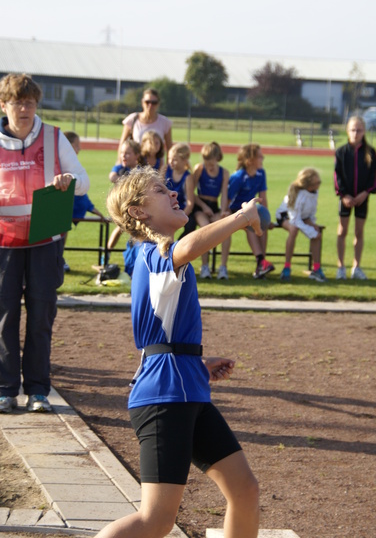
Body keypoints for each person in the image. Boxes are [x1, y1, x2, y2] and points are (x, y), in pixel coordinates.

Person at [98, 167, 259, 538]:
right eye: (159, 190)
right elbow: (187, 247)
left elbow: (157, 335)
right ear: (138, 212)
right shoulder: (156, 253)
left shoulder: (153, 258)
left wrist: (195, 362)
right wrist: (240, 218)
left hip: (184, 386)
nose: (172, 193)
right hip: (164, 398)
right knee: (156, 520)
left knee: (245, 490)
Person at [0, 73, 89, 414]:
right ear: (4, 105)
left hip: (43, 242)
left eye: (30, 102)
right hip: (3, 244)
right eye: (18, 102)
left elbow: (83, 180)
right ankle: (5, 389)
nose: (25, 109)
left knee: (41, 317)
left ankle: (38, 390)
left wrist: (70, 180)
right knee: (4, 318)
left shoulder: (53, 138)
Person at [334, 115, 376, 280]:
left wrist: (365, 193)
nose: (355, 133)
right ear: (347, 130)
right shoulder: (341, 152)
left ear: (364, 131)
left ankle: (356, 267)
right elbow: (337, 176)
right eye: (353, 130)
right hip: (345, 198)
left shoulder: (371, 152)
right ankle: (340, 267)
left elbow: (374, 177)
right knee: (342, 231)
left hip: (362, 198)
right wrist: (344, 195)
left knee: (359, 232)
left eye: (359, 130)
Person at [227, 143, 274, 279]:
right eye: (259, 156)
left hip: (254, 209)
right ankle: (261, 262)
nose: (263, 158)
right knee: (250, 224)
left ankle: (261, 265)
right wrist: (224, 212)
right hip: (236, 210)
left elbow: (263, 198)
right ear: (249, 161)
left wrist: (267, 218)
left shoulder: (261, 173)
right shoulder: (237, 177)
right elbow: (228, 199)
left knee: (262, 226)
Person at [63, 132, 107, 272]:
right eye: (77, 146)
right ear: (69, 146)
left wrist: (95, 210)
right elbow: (79, 197)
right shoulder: (65, 166)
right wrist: (94, 210)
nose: (80, 149)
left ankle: (58, 259)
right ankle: (57, 260)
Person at [276, 167, 326, 282]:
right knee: (294, 230)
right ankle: (286, 268)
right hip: (286, 216)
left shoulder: (314, 192)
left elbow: (310, 212)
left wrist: (313, 225)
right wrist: (311, 232)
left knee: (317, 232)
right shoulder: (299, 196)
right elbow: (295, 220)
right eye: (317, 182)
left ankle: (316, 269)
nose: (319, 184)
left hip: (302, 217)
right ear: (309, 185)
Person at [193, 141, 230, 280]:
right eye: (206, 160)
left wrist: (223, 211)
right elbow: (191, 192)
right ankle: (205, 266)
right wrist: (203, 206)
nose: (209, 164)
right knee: (205, 228)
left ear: (217, 158)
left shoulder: (224, 172)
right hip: (200, 206)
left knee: (227, 228)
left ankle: (223, 267)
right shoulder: (199, 169)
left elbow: (224, 194)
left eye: (211, 162)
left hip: (214, 207)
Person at [117, 88, 172, 161]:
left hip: (157, 166)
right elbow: (122, 143)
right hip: (135, 165)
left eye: (154, 102)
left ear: (158, 104)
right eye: (147, 102)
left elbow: (169, 148)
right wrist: (119, 162)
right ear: (142, 102)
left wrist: (168, 169)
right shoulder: (132, 119)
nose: (150, 105)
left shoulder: (165, 122)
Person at [108, 140, 142, 252]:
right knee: (119, 228)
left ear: (137, 155)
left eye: (128, 153)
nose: (123, 155)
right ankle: (107, 253)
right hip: (122, 206)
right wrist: (128, 183)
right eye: (122, 152)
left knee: (137, 232)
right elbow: (112, 177)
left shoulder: (140, 171)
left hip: (136, 207)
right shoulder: (120, 169)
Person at [164, 142, 194, 227]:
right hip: (165, 207)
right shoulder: (166, 170)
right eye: (169, 158)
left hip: (179, 209)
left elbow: (190, 203)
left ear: (184, 161)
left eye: (175, 159)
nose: (171, 162)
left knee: (191, 224)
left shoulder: (187, 178)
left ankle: (181, 240)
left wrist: (179, 216)